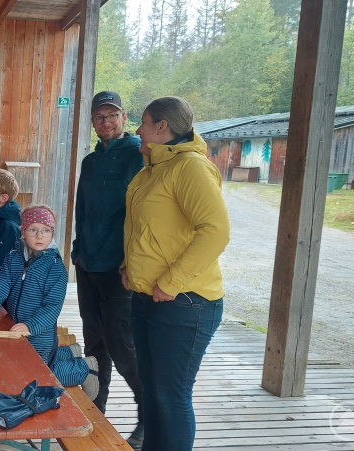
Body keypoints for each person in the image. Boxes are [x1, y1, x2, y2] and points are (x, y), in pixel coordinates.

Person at [123, 96, 229, 451]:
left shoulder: (190, 168)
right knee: (152, 393)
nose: (137, 129)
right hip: (148, 297)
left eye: (143, 121)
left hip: (186, 302)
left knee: (171, 396)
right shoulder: (153, 168)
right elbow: (145, 228)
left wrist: (170, 281)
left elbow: (214, 231)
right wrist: (129, 268)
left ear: (162, 128)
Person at [0, 206, 99, 400]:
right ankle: (68, 352)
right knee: (22, 363)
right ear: (23, 232)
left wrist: (30, 325)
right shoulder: (12, 258)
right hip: (17, 326)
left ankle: (85, 369)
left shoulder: (55, 268)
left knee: (37, 376)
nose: (39, 236)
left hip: (40, 334)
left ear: (52, 233)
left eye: (46, 230)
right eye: (33, 229)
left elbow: (52, 308)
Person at [71, 90, 144, 446]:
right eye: (99, 117)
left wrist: (134, 262)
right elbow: (81, 209)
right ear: (93, 122)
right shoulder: (90, 161)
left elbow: (144, 215)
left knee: (122, 343)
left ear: (124, 117)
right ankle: (96, 403)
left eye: (111, 115)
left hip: (119, 268)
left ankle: (147, 414)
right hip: (87, 263)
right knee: (93, 339)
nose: (106, 122)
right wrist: (76, 249)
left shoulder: (137, 156)